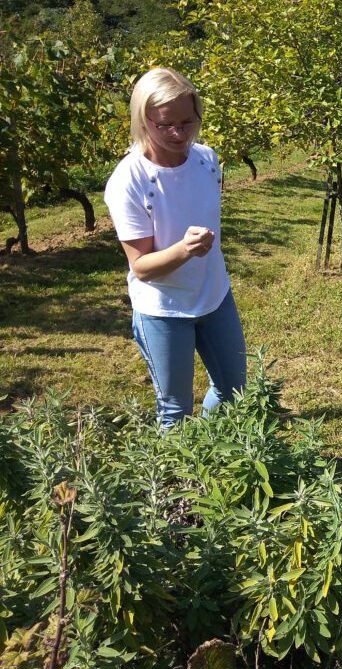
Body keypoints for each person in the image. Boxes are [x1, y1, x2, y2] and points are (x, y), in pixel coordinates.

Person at [104, 67, 247, 429]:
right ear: (142, 120)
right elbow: (141, 267)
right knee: (175, 409)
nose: (178, 133)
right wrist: (184, 249)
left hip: (214, 296)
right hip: (163, 310)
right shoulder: (129, 181)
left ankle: (214, 450)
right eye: (164, 124)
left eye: (187, 122)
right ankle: (181, 481)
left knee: (234, 391)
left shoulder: (206, 160)